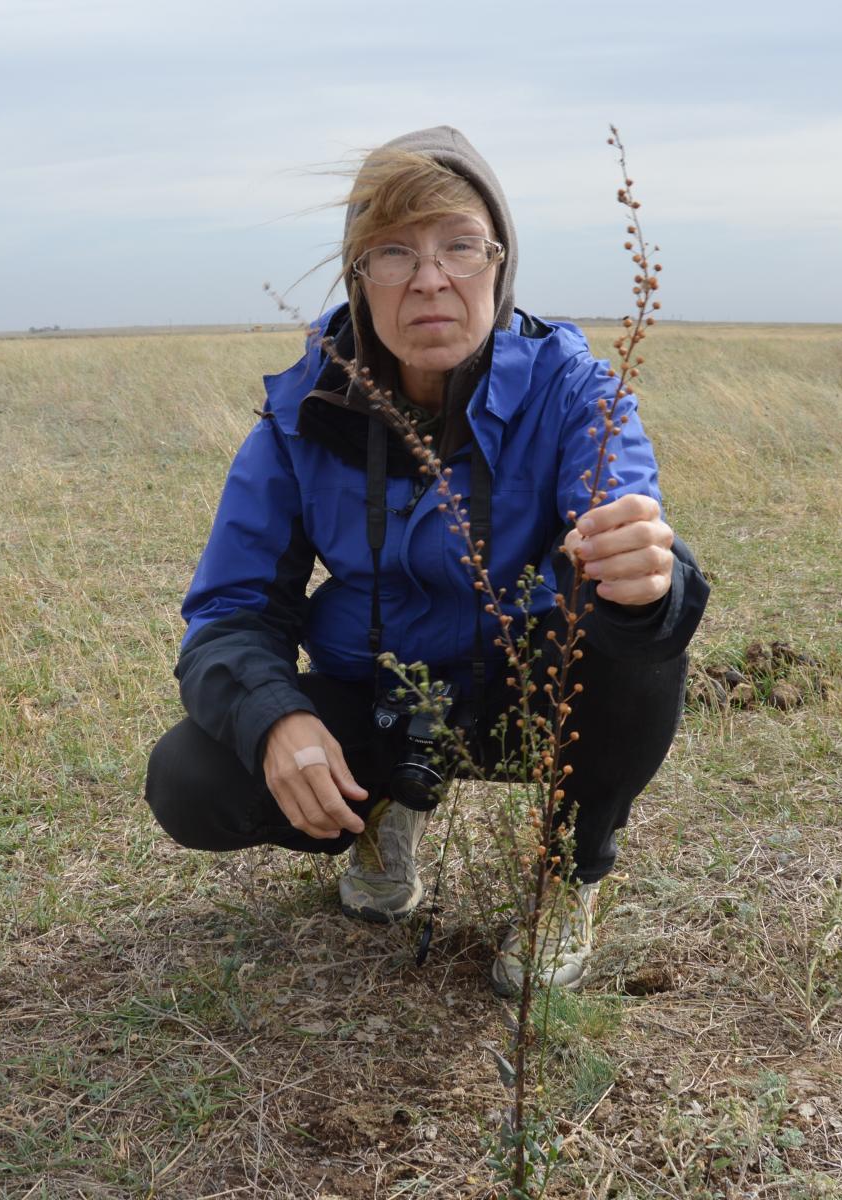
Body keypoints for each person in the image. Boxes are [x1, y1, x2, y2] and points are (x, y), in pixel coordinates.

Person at [144, 126, 709, 993]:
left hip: (526, 696)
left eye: (459, 247)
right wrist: (276, 719)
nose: (430, 278)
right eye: (394, 252)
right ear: (359, 276)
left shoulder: (575, 390)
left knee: (638, 619)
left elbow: (621, 523)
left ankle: (574, 866)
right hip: (380, 699)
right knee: (191, 778)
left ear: (500, 262)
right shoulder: (304, 410)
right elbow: (229, 612)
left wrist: (648, 583)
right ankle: (381, 813)